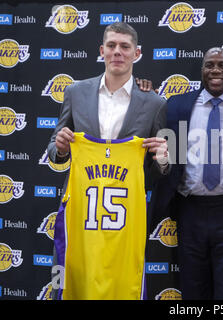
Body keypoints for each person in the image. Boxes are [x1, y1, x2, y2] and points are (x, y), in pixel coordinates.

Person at [47, 22, 168, 299]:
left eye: (125, 47)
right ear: (102, 51)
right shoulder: (75, 92)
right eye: (111, 46)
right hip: (80, 211)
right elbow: (54, 148)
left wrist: (163, 158)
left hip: (124, 219)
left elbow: (160, 169)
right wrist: (62, 147)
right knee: (67, 280)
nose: (117, 52)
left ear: (136, 53)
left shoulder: (155, 104)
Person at [149, 47, 223, 300]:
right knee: (192, 286)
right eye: (209, 65)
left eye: (222, 65)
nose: (215, 70)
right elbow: (165, 156)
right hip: (188, 210)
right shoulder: (177, 104)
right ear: (202, 71)